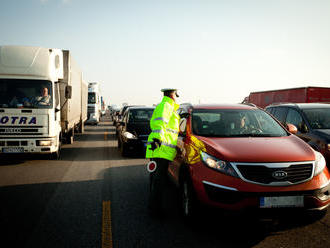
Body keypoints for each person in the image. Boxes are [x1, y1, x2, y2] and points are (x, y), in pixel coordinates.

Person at [146, 88, 180, 216]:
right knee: (158, 181)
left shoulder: (169, 106)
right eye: (176, 95)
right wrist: (157, 140)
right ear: (172, 95)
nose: (176, 98)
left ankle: (154, 207)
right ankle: (155, 210)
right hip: (160, 149)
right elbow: (160, 123)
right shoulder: (166, 105)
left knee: (157, 180)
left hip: (162, 149)